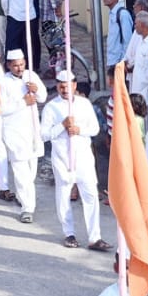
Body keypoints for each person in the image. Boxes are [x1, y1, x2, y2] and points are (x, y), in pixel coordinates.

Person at [39, 72, 109, 250]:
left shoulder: (85, 104)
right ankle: (68, 233)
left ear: (75, 85)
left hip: (83, 156)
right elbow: (44, 135)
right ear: (57, 86)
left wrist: (79, 129)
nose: (64, 89)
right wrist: (61, 126)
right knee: (64, 196)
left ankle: (95, 237)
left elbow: (94, 129)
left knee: (91, 195)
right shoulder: (51, 107)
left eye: (68, 85)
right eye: (61, 86)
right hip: (62, 157)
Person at [0, 50, 45, 223]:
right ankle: (27, 208)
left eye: (22, 64)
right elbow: (0, 109)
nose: (19, 68)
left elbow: (43, 97)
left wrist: (36, 90)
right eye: (15, 65)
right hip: (13, 131)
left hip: (32, 130)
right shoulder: (2, 82)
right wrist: (22, 103)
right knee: (21, 171)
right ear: (9, 65)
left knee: (31, 171)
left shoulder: (31, 76)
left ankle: (23, 195)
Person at [102, 0, 133, 70]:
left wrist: (124, 60)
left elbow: (127, 40)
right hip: (112, 58)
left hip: (119, 60)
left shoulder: (122, 14)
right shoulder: (113, 13)